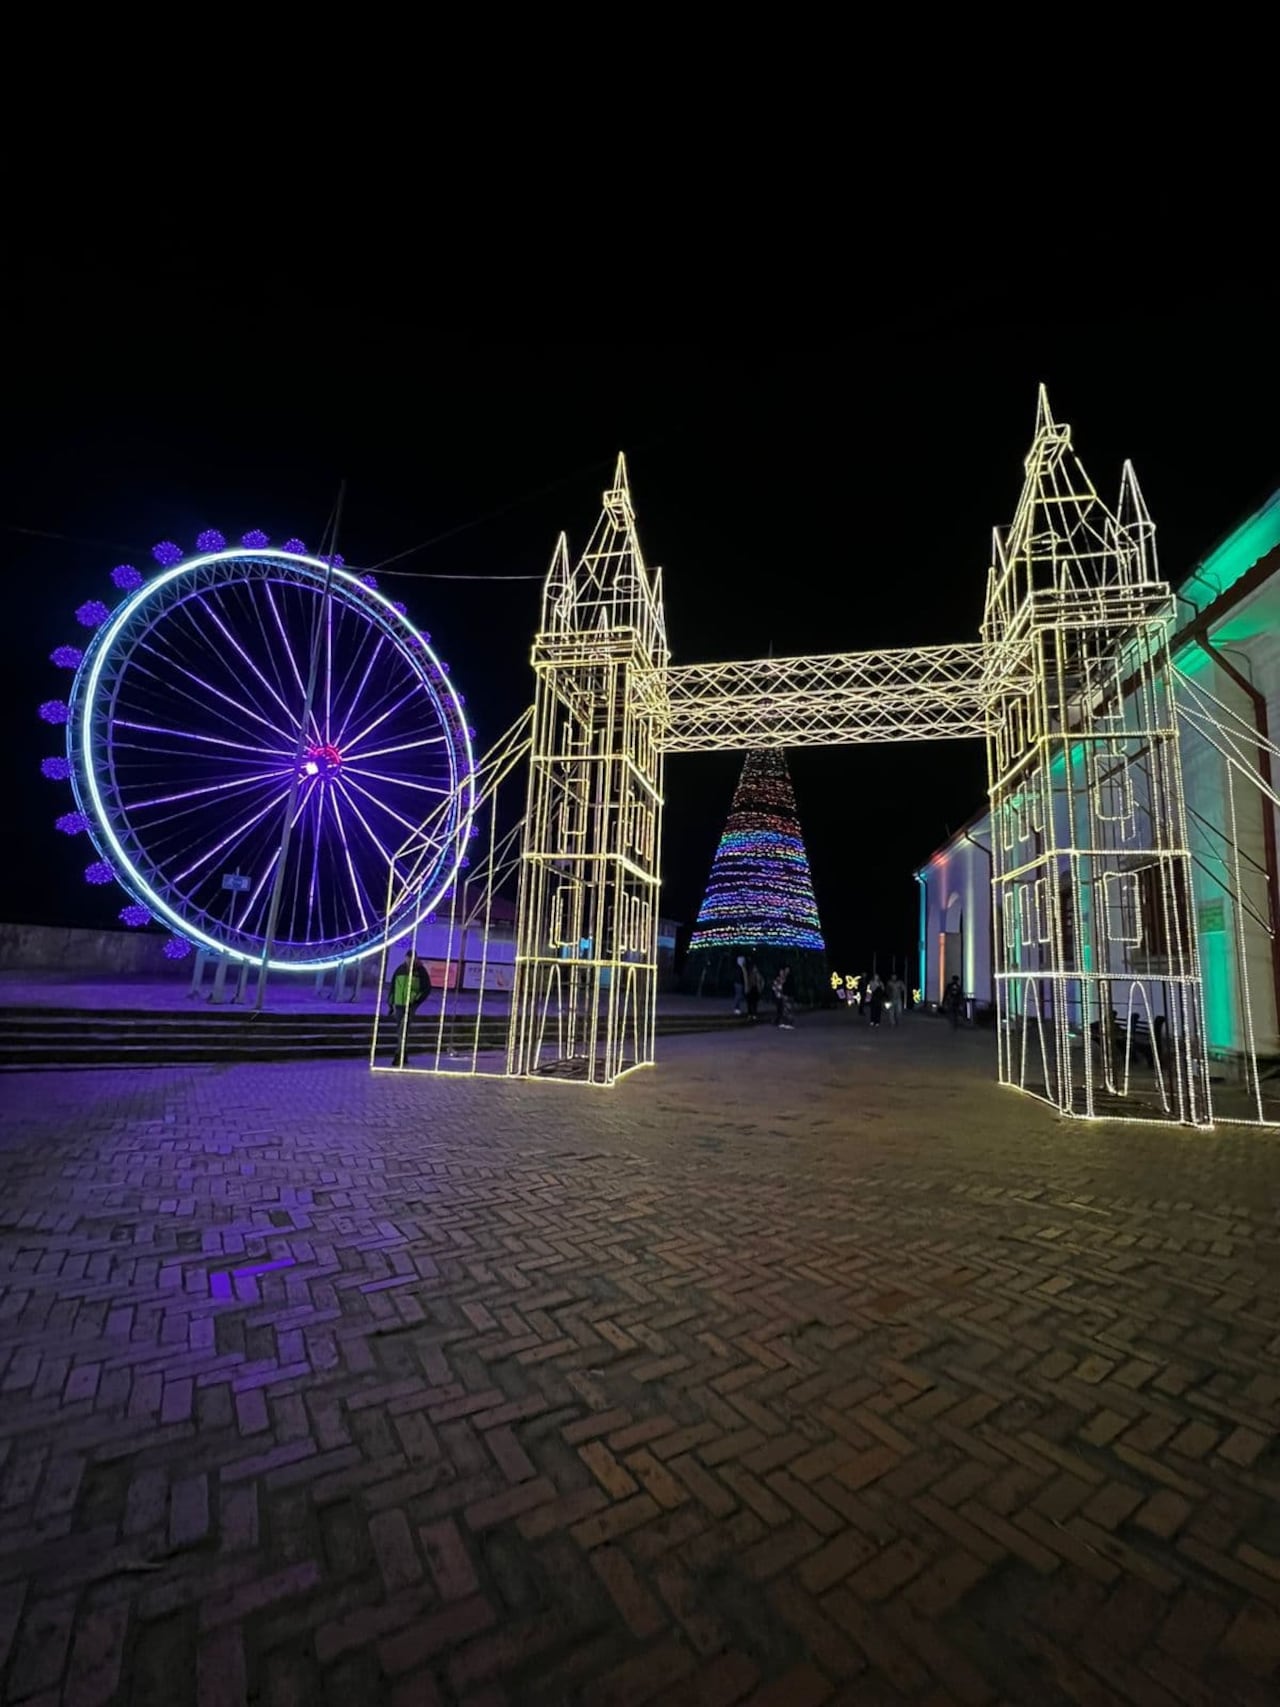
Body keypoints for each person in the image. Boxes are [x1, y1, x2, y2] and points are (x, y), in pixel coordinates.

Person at [388, 951, 433, 1056]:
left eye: (411, 959)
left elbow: (426, 988)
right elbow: (393, 987)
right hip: (399, 1004)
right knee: (400, 1028)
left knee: (404, 1027)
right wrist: (391, 1003)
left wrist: (417, 999)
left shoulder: (421, 971)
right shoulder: (400, 970)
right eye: (408, 958)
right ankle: (403, 1052)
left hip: (411, 1004)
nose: (409, 961)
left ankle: (399, 1053)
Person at [772, 965, 794, 1029]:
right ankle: (783, 1022)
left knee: (788, 1009)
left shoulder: (787, 978)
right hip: (780, 995)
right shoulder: (779, 978)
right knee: (783, 1010)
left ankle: (789, 1023)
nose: (782, 972)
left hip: (786, 995)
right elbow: (775, 987)